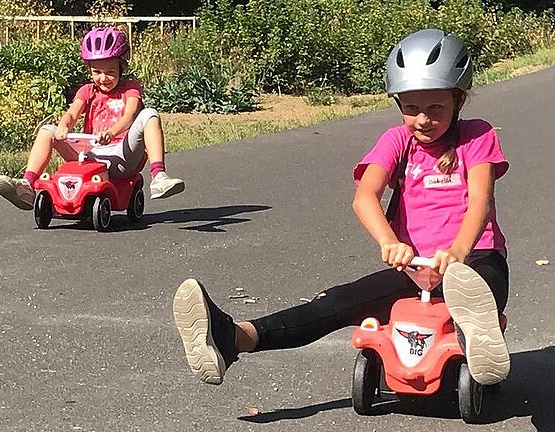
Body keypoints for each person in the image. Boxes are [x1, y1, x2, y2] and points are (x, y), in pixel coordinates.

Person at [172, 29, 511, 387]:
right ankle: (233, 338)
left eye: (436, 108)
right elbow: (365, 196)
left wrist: (458, 252)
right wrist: (389, 243)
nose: (423, 119)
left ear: (458, 101)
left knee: (475, 287)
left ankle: (475, 335)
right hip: (415, 268)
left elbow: (480, 200)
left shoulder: (477, 136)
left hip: (474, 260)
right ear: (398, 105)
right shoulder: (397, 141)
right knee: (336, 302)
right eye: (411, 109)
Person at [0, 27, 185, 210]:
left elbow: (130, 115)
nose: (103, 78)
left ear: (122, 67)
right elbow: (72, 113)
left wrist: (111, 133)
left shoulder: (130, 88)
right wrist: (64, 126)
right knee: (48, 131)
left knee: (149, 114)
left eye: (110, 72)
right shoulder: (87, 91)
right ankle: (27, 185)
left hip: (122, 155)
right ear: (89, 69)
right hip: (89, 154)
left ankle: (159, 176)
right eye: (97, 72)